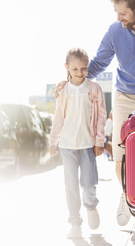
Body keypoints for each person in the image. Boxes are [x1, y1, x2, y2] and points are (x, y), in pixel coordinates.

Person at [55, 0, 135, 226]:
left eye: (122, 13)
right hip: (125, 96)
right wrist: (73, 80)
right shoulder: (114, 30)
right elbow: (99, 62)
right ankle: (128, 196)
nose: (118, 18)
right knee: (122, 151)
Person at [49, 48, 106, 239]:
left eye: (83, 68)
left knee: (89, 183)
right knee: (71, 186)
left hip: (87, 144)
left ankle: (91, 207)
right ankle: (75, 222)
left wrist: (99, 141)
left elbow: (101, 117)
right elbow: (59, 116)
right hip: (67, 145)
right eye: (75, 69)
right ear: (67, 67)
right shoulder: (62, 90)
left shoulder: (94, 88)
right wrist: (53, 140)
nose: (80, 73)